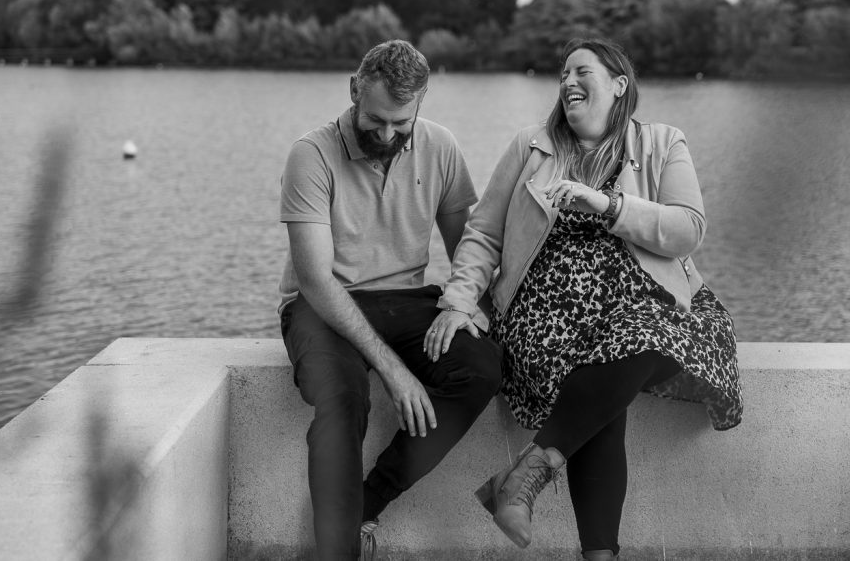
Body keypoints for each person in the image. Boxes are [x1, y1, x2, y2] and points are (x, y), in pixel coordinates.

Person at [424, 37, 743, 560]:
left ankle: (524, 476)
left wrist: (608, 205)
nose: (568, 81)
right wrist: (459, 302)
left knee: (640, 339)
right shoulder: (532, 146)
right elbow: (483, 234)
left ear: (619, 85)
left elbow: (688, 230)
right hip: (547, 312)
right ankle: (598, 553)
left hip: (647, 302)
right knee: (603, 385)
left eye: (582, 71)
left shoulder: (663, 142)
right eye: (563, 74)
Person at [278, 39, 503, 560]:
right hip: (321, 305)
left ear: (421, 101)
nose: (385, 134)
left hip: (407, 298)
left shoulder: (440, 146)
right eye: (375, 119)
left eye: (399, 124)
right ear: (355, 89)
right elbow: (314, 281)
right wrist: (394, 371)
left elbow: (466, 250)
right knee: (344, 398)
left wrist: (469, 306)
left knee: (481, 370)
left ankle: (364, 505)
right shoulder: (310, 155)